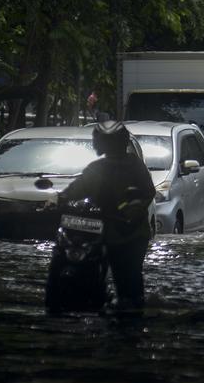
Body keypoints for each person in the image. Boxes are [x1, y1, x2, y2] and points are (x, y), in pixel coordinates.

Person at [62, 121, 156, 310]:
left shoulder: (124, 166)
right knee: (127, 279)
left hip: (129, 232)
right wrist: (60, 199)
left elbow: (148, 192)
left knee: (128, 279)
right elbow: (75, 190)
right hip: (118, 232)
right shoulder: (108, 167)